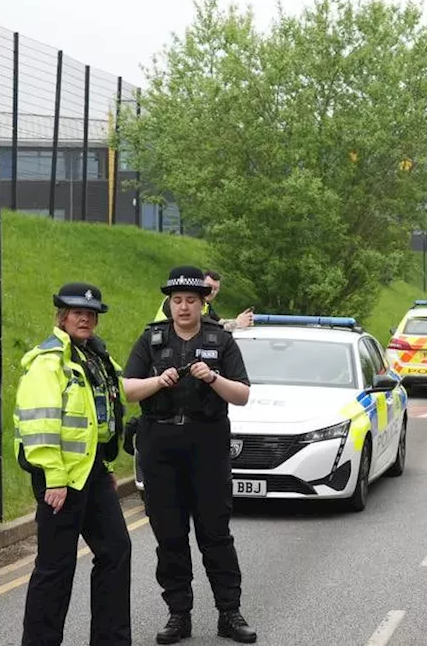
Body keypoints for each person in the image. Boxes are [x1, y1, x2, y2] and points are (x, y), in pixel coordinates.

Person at [121, 265, 257, 644]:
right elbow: (128, 389)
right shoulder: (151, 340)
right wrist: (157, 381)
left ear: (202, 303)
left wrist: (212, 377)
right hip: (161, 444)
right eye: (177, 301)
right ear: (169, 304)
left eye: (191, 301)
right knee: (170, 535)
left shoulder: (221, 340)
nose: (183, 308)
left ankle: (229, 613)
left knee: (215, 533)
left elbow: (243, 395)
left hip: (207, 443)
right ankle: (178, 615)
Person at [15, 282, 132, 646]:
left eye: (91, 314)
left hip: (93, 474)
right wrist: (54, 477)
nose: (84, 318)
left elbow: (98, 422)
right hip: (59, 479)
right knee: (56, 568)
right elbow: (40, 425)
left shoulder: (94, 358)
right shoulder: (48, 363)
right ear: (62, 316)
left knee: (116, 551)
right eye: (77, 312)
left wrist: (108, 469)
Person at [152, 269, 254, 331]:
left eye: (216, 289)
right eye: (209, 287)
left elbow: (218, 322)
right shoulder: (173, 303)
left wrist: (239, 319)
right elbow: (206, 329)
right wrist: (237, 324)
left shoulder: (206, 305)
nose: (212, 291)